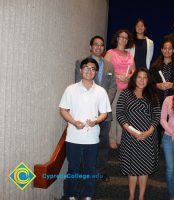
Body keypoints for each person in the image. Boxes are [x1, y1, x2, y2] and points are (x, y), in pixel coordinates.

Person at [59, 57, 111, 199]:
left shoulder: (101, 91)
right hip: (73, 137)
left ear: (96, 72)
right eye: (86, 68)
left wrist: (96, 121)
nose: (89, 71)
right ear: (81, 70)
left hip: (92, 137)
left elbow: (104, 113)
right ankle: (71, 194)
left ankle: (88, 194)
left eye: (93, 69)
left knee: (90, 168)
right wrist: (74, 122)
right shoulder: (70, 89)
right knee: (73, 168)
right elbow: (63, 109)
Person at [75, 35, 117, 181]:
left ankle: (101, 171)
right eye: (96, 45)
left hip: (104, 113)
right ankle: (85, 171)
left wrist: (104, 104)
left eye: (101, 45)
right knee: (85, 143)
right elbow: (77, 85)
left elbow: (113, 86)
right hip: (85, 113)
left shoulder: (109, 65)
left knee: (103, 144)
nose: (99, 47)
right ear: (91, 47)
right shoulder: (81, 63)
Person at [116, 68, 160, 200]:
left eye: (145, 77)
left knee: (144, 168)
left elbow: (156, 115)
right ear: (134, 78)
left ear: (148, 80)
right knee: (132, 167)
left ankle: (141, 196)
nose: (141, 80)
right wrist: (130, 130)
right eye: (139, 77)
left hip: (148, 137)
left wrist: (149, 132)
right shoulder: (125, 93)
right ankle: (131, 195)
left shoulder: (153, 95)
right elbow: (119, 113)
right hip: (130, 136)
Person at [104, 29, 135, 149]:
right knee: (113, 112)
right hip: (114, 88)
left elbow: (134, 71)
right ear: (117, 38)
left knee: (123, 114)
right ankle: (112, 139)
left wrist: (129, 76)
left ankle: (120, 138)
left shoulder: (129, 55)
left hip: (127, 89)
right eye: (121, 37)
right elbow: (105, 70)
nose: (123, 39)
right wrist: (117, 76)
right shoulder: (110, 53)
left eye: (126, 38)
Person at [149, 40, 174, 105]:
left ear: (173, 50)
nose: (167, 50)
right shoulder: (154, 66)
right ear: (162, 50)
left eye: (170, 49)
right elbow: (149, 83)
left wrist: (173, 85)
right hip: (157, 100)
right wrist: (157, 85)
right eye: (165, 48)